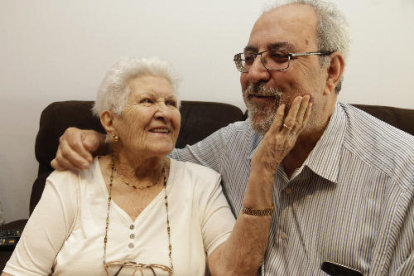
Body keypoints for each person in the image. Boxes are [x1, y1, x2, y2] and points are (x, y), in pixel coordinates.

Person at [47, 0, 414, 275]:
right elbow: (152, 162)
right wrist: (98, 139)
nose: (254, 73)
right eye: (249, 57)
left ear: (330, 71)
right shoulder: (232, 144)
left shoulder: (403, 175)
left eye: (278, 56)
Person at [2, 57, 311, 276]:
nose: (164, 112)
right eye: (148, 101)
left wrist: (264, 168)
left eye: (171, 103)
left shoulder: (202, 183)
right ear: (110, 121)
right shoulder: (70, 182)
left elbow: (233, 271)